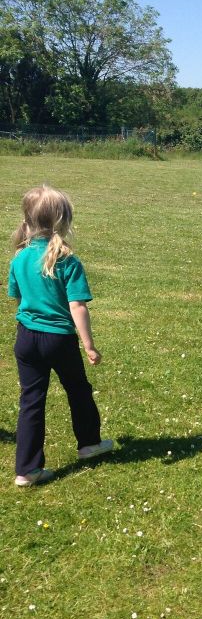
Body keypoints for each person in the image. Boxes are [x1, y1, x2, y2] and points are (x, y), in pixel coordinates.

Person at [7, 186, 113, 487]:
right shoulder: (67, 261)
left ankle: (27, 470)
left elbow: (18, 297)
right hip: (59, 340)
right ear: (63, 220)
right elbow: (77, 306)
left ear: (28, 219)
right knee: (78, 389)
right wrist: (89, 345)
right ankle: (89, 443)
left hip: (26, 338)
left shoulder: (19, 258)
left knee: (31, 401)